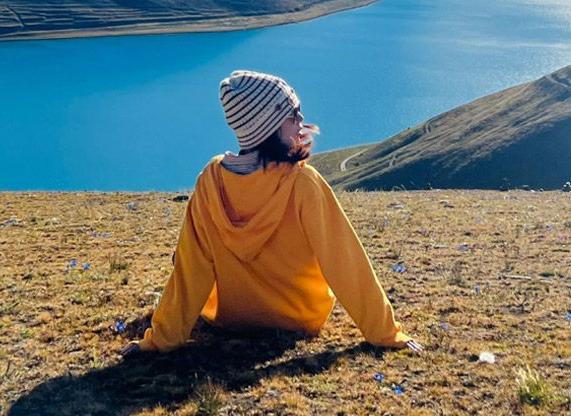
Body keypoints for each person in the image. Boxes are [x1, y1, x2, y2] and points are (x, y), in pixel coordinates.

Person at [120, 70, 421, 355]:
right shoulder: (302, 183)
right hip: (299, 318)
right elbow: (345, 262)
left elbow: (191, 267)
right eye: (292, 114)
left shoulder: (211, 181)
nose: (301, 119)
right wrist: (385, 333)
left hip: (230, 319)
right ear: (268, 128)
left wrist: (161, 339)